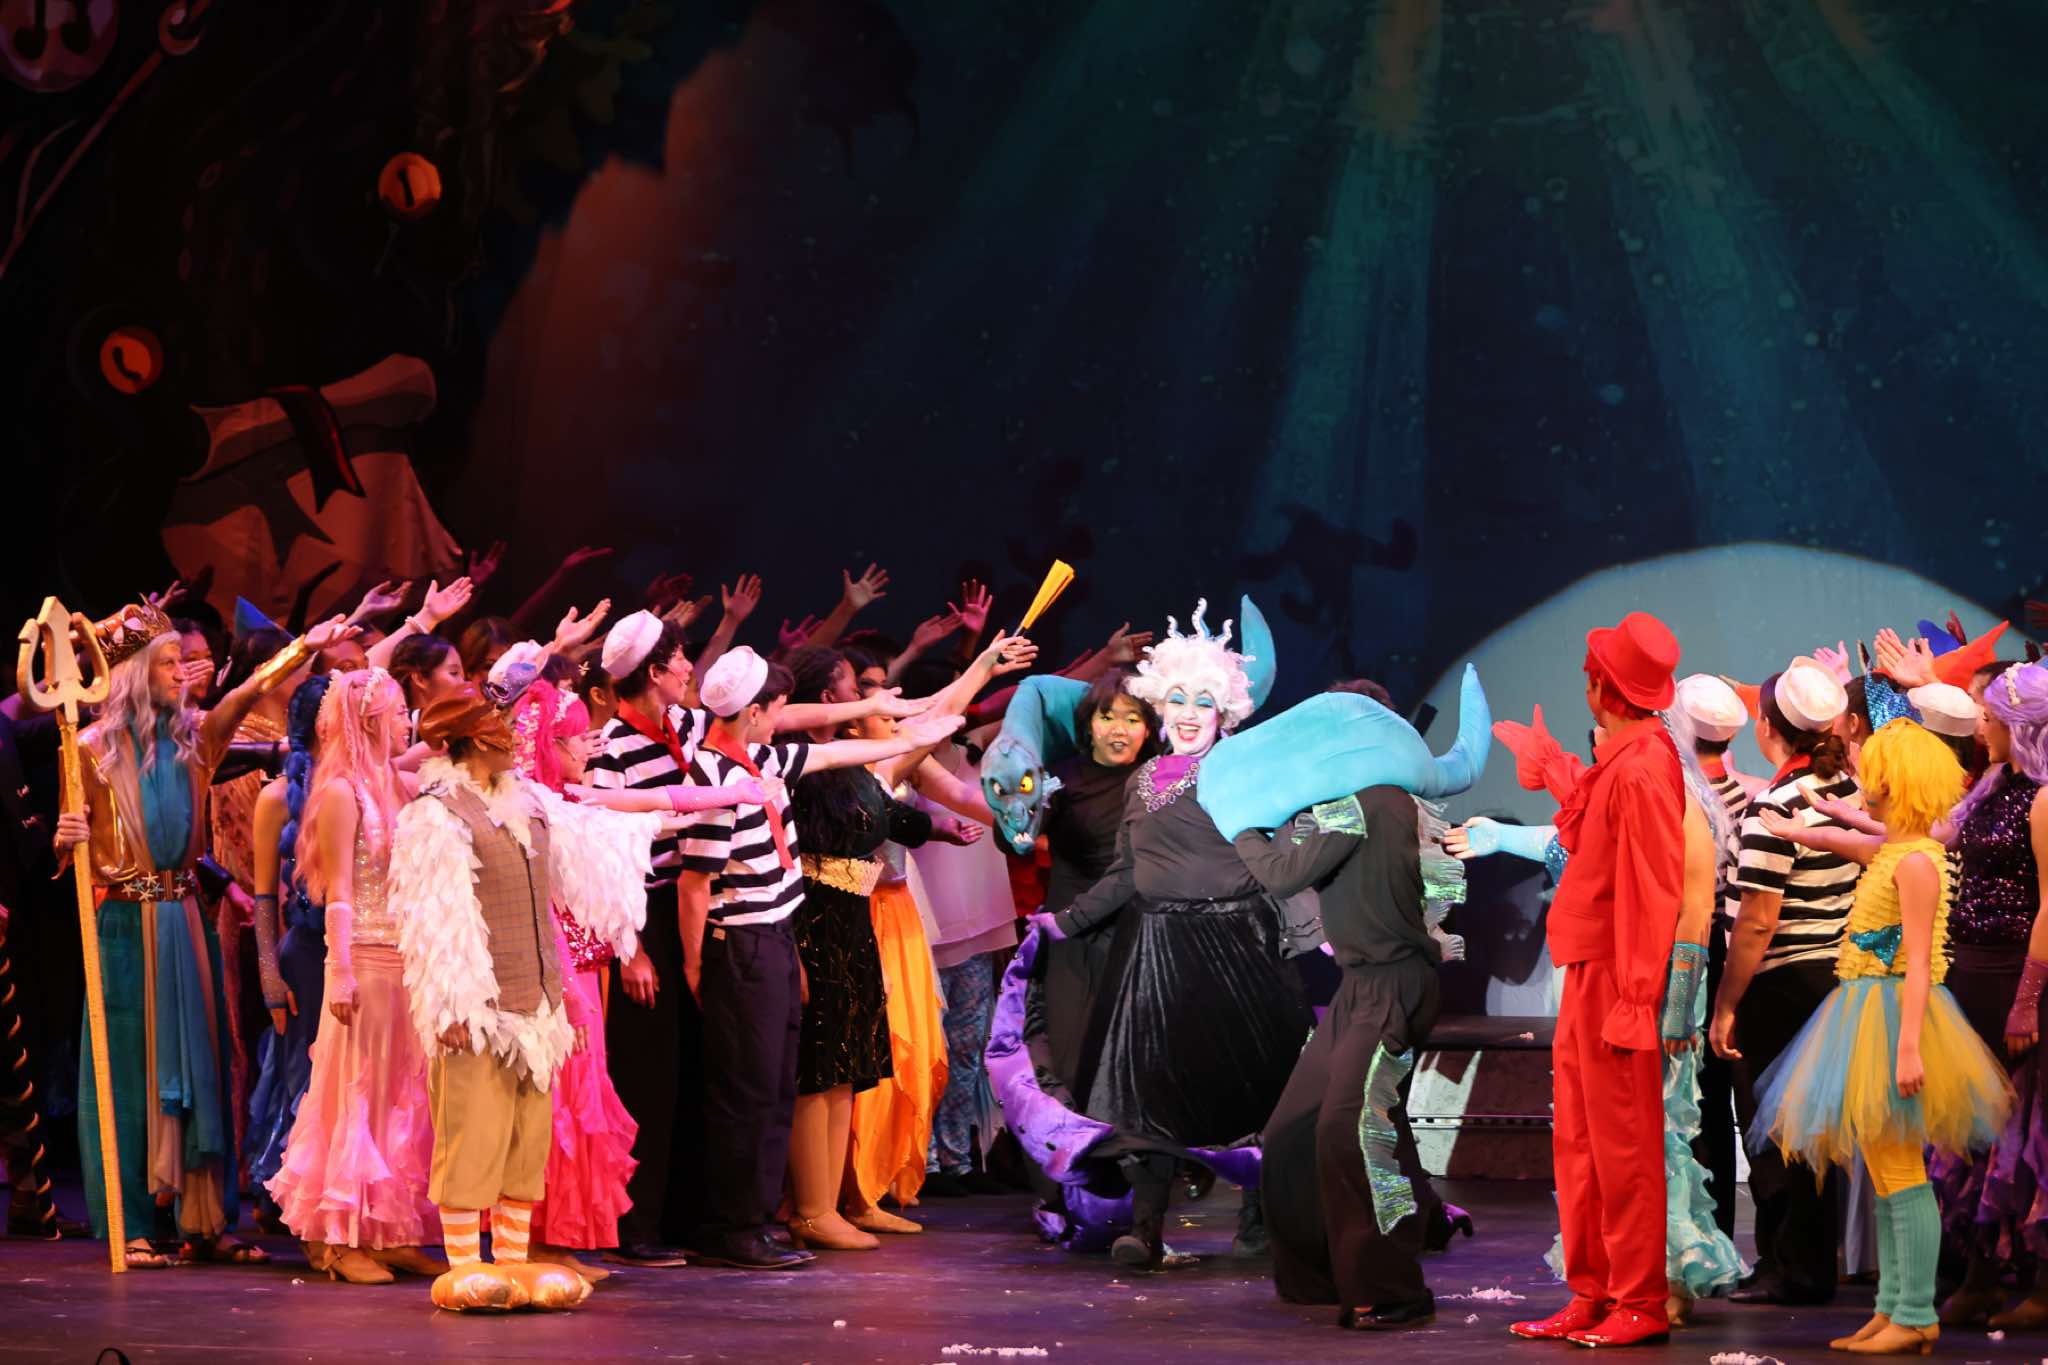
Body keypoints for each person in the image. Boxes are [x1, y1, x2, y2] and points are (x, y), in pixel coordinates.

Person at [583, 609, 925, 1267]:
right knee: (653, 1075)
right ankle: (639, 1223)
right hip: (648, 913)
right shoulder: (613, 748)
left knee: (709, 1073)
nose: (688, 668)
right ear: (653, 673)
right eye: (678, 659)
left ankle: (699, 1217)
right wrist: (632, 948)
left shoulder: (689, 726)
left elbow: (784, 726)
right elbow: (601, 853)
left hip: (706, 907)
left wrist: (875, 708)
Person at [53, 600, 357, 1267]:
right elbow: (70, 846)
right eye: (167, 663)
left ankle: (204, 1221)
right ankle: (135, 1222)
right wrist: (65, 835)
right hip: (124, 925)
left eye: (180, 663)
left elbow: (246, 692)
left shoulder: (195, 738)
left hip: (185, 917)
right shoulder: (88, 748)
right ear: (135, 672)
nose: (181, 674)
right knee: (129, 1068)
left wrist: (306, 645)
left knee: (203, 1061)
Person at [1457, 700, 1748, 1326]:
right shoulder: (1620, 791)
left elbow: (1695, 911)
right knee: (1594, 1140)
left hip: (1655, 985)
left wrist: (1676, 1010)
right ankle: (1606, 1283)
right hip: (1606, 979)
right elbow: (1575, 835)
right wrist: (1505, 829)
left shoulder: (1676, 803)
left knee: (1654, 1135)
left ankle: (1665, 1276)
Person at [677, 646, 964, 1270]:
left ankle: (760, 1221)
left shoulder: (762, 759)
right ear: (755, 713)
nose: (783, 719)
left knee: (776, 1085)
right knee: (749, 1091)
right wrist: (696, 965)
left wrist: (917, 733)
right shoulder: (716, 779)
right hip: (742, 941)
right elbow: (694, 883)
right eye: (775, 710)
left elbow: (834, 753)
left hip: (778, 934)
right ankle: (735, 1226)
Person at [388, 684, 665, 1311]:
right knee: (471, 1136)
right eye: (501, 729)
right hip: (477, 1010)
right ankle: (465, 1266)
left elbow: (595, 835)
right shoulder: (438, 814)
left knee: (524, 1144)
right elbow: (434, 917)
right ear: (472, 741)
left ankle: (512, 1263)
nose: (515, 738)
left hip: (535, 1007)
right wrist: (451, 1003)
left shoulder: (529, 803)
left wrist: (691, 805)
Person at [1749, 719, 2014, 1355]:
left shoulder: (1917, 862)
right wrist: (1799, 830)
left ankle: (1915, 1311)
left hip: (1894, 1016)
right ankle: (1891, 1306)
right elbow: (1849, 841)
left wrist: (1909, 1047)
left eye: (1872, 773)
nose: (1863, 781)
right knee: (1884, 1171)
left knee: (1901, 1171)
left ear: (1893, 784)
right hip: (1865, 1010)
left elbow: (1921, 963)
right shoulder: (1896, 850)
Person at [1503, 612, 1687, 1349]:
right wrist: (1551, 762)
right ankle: (1594, 1288)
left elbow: (1653, 887)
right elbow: (1587, 828)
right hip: (1590, 970)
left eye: (1590, 674)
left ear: (1603, 686)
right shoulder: (1623, 758)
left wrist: (1638, 996)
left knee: (1624, 1145)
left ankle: (1639, 1297)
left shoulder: (1643, 767)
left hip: (1617, 975)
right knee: (1579, 1141)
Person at [264, 669, 443, 1284]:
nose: (406, 723)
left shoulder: (396, 783)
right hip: (362, 957)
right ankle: (336, 1238)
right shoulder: (342, 792)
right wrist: (339, 971)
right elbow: (338, 892)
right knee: (354, 1091)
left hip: (404, 959)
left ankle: (388, 1230)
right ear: (369, 721)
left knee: (399, 1096)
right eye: (396, 713)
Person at [1708, 658, 1861, 1309]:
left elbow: (1756, 921)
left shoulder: (1775, 807)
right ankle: (1805, 1262)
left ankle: (1794, 1267)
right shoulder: (1850, 788)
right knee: (1812, 1130)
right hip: (1836, 975)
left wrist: (1726, 1003)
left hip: (1785, 983)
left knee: (1780, 1131)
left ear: (1768, 727)